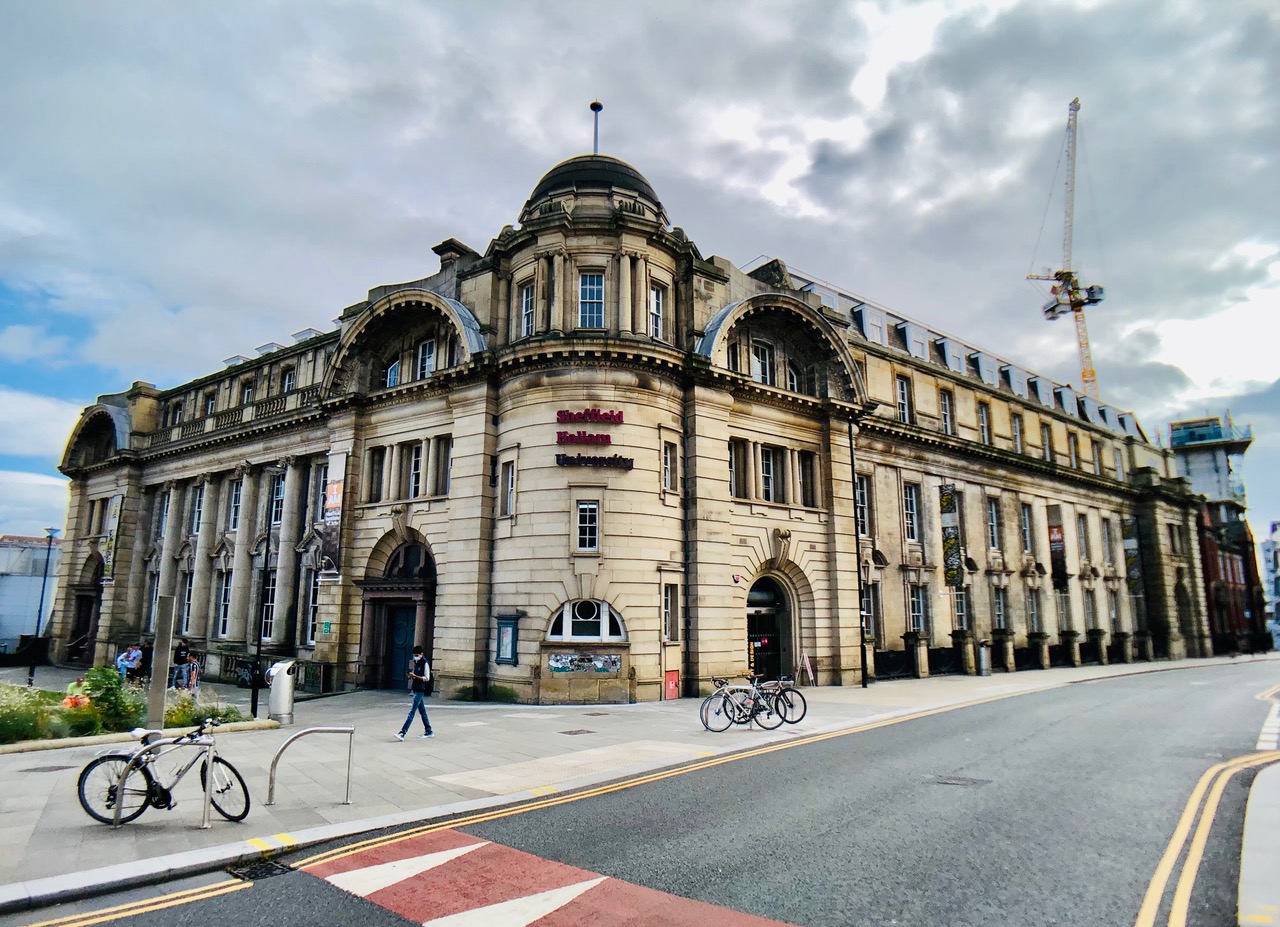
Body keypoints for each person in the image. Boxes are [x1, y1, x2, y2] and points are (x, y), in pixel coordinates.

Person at [395, 646, 434, 741]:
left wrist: (415, 676)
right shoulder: (417, 663)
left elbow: (426, 678)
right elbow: (415, 674)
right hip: (416, 688)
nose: (415, 657)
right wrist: (411, 676)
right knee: (422, 712)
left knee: (412, 712)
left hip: (420, 690)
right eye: (414, 655)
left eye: (417, 655)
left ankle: (402, 732)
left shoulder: (425, 663)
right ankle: (429, 731)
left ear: (421, 654)